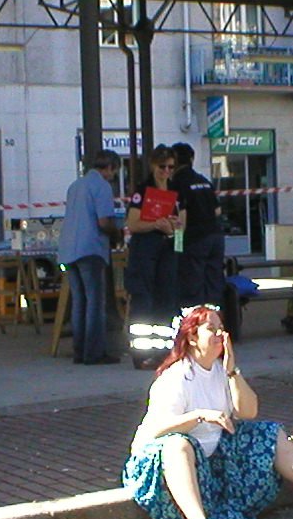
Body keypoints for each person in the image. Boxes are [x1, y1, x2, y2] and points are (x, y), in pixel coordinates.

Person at [122, 304, 293, 519]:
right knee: (178, 444)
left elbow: (248, 411)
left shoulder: (220, 371)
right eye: (211, 329)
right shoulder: (176, 377)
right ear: (192, 338)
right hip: (163, 465)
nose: (220, 336)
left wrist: (232, 371)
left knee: (270, 433)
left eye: (222, 329)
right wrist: (199, 416)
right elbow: (158, 428)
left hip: (211, 458)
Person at [57, 149, 122, 366]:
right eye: (114, 171)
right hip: (90, 249)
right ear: (110, 168)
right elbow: (104, 222)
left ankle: (79, 351)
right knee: (95, 302)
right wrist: (117, 234)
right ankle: (94, 353)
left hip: (68, 250)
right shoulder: (102, 186)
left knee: (79, 302)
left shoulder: (75, 186)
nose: (113, 176)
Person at [124, 145, 183, 369]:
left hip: (167, 248)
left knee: (166, 300)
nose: (166, 171)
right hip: (145, 249)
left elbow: (182, 224)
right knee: (144, 301)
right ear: (152, 166)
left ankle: (163, 351)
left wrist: (176, 229)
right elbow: (132, 223)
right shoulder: (143, 190)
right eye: (162, 167)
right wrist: (154, 225)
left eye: (170, 167)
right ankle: (141, 354)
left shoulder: (175, 191)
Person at [169, 141, 225, 308]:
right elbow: (217, 211)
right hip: (215, 237)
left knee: (191, 286)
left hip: (194, 239)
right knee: (214, 284)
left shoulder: (176, 183)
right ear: (192, 159)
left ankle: (194, 327)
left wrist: (177, 246)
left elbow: (180, 218)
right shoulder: (204, 181)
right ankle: (214, 324)